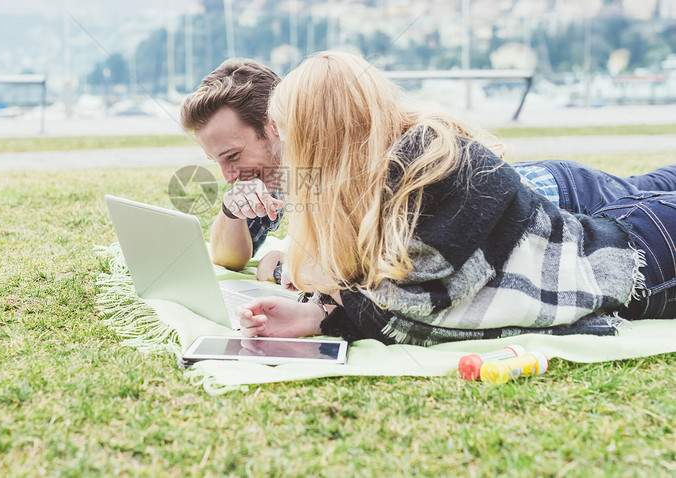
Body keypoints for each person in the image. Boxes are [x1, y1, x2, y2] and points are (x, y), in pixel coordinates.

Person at [237, 51, 676, 346]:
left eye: (288, 133)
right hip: (626, 238)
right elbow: (383, 289)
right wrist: (319, 313)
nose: (284, 146)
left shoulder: (437, 163)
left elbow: (417, 300)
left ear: (321, 137)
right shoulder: (384, 181)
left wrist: (325, 307)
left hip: (642, 258)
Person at [180, 58, 676, 282]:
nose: (229, 172)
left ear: (274, 128)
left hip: (563, 196)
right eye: (217, 161)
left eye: (232, 156)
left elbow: (372, 266)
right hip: (541, 211)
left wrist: (289, 265)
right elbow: (228, 257)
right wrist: (231, 206)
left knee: (656, 190)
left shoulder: (343, 155)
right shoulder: (283, 175)